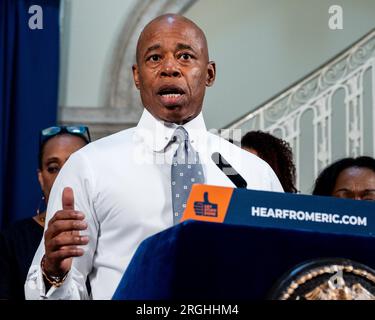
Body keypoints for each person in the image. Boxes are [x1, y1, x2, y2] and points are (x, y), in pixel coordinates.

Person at [25, 14, 283, 300]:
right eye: (154, 59)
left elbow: (279, 277)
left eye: (185, 56)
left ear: (209, 73)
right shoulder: (89, 167)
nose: (169, 68)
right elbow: (48, 290)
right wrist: (53, 273)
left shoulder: (255, 174)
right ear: (137, 75)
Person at [0, 125, 90, 299]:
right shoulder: (11, 240)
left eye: (75, 164)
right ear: (41, 178)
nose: (65, 174)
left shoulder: (112, 230)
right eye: (53, 167)